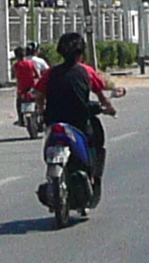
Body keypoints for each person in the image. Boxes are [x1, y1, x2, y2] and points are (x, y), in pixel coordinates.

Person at [39, 30, 116, 202]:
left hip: (54, 120)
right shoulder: (86, 71)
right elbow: (101, 95)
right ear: (81, 53)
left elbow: (39, 95)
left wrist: (41, 111)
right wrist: (109, 108)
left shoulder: (50, 73)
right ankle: (93, 177)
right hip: (79, 122)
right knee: (95, 142)